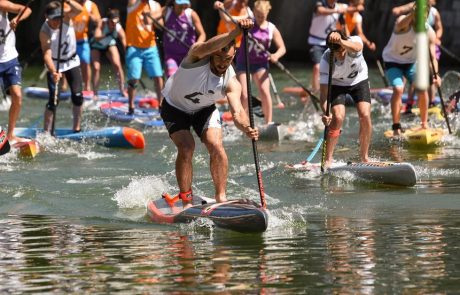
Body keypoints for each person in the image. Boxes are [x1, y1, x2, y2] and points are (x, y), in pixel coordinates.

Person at [160, 18, 259, 208]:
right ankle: (186, 200)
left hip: (204, 110)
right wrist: (234, 33)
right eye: (219, 57)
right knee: (187, 147)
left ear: (234, 56)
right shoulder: (195, 57)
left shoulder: (231, 82)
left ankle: (221, 197)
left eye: (228, 59)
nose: (223, 63)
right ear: (212, 54)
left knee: (216, 146)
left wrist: (247, 128)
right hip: (174, 108)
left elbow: (237, 111)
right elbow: (205, 45)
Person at [382, 4, 439, 136]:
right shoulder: (403, 22)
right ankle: (396, 126)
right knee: (398, 88)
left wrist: (436, 75)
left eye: (424, 16)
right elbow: (401, 23)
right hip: (392, 61)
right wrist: (413, 13)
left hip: (411, 63)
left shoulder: (429, 32)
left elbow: (433, 57)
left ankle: (424, 125)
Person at [320, 30, 371, 168]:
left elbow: (357, 47)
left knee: (365, 115)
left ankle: (364, 157)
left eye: (342, 51)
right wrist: (326, 113)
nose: (341, 55)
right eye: (337, 53)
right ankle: (328, 159)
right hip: (337, 84)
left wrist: (341, 42)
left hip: (359, 80)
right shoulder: (326, 60)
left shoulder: (354, 42)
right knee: (338, 117)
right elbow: (324, 94)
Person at [235, 0, 286, 124]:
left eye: (262, 16)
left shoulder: (271, 28)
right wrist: (222, 9)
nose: (259, 18)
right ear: (254, 12)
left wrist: (275, 55)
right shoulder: (248, 22)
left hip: (260, 64)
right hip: (244, 62)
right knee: (244, 94)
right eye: (257, 15)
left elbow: (282, 48)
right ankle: (245, 123)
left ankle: (268, 122)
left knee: (264, 91)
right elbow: (231, 19)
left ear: (267, 12)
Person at [40, 0, 84, 133]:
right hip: (55, 64)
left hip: (71, 62)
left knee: (77, 95)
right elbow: (47, 55)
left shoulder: (66, 18)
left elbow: (79, 10)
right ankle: (47, 133)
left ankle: (76, 128)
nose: (57, 22)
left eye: (58, 18)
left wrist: (69, 1)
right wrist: (53, 71)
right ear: (46, 17)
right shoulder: (44, 31)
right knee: (53, 101)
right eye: (54, 19)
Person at [393, 0, 443, 109]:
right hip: (415, 43)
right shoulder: (416, 6)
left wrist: (437, 38)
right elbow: (405, 8)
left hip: (428, 41)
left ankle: (432, 102)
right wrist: (398, 10)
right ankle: (409, 102)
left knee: (431, 71)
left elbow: (439, 28)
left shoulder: (434, 13)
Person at [0, 0, 31, 143]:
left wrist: (16, 19)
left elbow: (26, 10)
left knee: (17, 96)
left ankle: (11, 134)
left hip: (10, 59)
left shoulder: (1, 4)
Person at [126, 0, 164, 114]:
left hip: (150, 47)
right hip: (134, 46)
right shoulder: (133, 2)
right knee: (134, 78)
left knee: (158, 77)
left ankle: (161, 105)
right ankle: (131, 107)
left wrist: (153, 16)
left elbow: (161, 26)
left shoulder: (155, 5)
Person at [307, 0, 349, 94]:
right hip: (316, 41)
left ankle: (334, 89)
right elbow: (320, 11)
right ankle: (315, 91)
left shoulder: (339, 8)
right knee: (317, 67)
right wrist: (337, 10)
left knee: (335, 67)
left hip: (329, 42)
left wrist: (348, 40)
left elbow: (343, 25)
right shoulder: (321, 3)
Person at [162, 0, 206, 78]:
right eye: (180, 3)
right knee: (172, 75)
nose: (182, 6)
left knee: (188, 79)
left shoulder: (191, 14)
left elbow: (202, 34)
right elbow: (153, 15)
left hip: (188, 55)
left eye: (184, 3)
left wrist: (196, 45)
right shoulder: (166, 11)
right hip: (171, 56)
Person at [90, 8, 127, 98]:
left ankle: (122, 90)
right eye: (112, 22)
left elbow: (124, 41)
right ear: (108, 20)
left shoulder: (118, 27)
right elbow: (96, 37)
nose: (113, 25)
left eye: (116, 22)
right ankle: (95, 93)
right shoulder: (102, 23)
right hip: (97, 45)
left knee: (117, 65)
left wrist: (127, 53)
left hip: (109, 45)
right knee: (96, 67)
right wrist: (107, 34)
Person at [72, 0, 101, 92]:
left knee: (85, 62)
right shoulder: (70, 2)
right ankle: (64, 86)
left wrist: (91, 16)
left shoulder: (90, 5)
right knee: (66, 64)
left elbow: (98, 20)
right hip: (68, 40)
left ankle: (87, 87)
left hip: (82, 40)